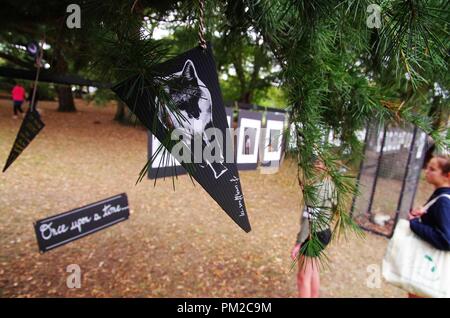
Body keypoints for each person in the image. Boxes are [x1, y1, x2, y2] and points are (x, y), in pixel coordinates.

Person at [291, 157, 335, 298]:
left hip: (313, 235)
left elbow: (309, 219)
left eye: (316, 165)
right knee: (313, 270)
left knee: (302, 277)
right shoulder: (331, 185)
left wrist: (298, 243)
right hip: (325, 232)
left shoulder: (314, 190)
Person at [408, 154, 450, 298]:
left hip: (428, 270)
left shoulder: (444, 201)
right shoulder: (441, 196)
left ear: (447, 176)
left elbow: (446, 239)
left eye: (432, 169)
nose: (426, 171)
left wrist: (414, 224)